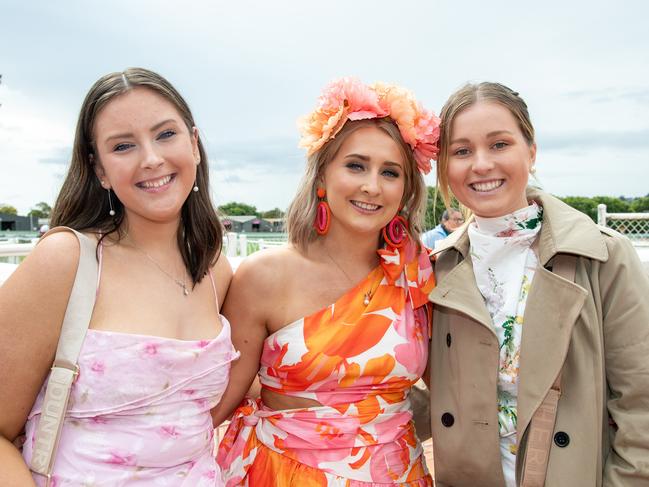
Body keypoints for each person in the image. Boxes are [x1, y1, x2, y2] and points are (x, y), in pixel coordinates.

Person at [0, 68, 238, 486]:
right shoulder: (67, 261)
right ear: (100, 170)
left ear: (195, 146)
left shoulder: (215, 269)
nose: (151, 158)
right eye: (123, 145)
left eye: (166, 134)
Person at [418, 82, 649, 486]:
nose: (482, 164)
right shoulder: (435, 268)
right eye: (461, 151)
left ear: (532, 150)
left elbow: (640, 405)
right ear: (444, 166)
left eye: (500, 144)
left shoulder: (604, 258)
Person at [212, 78, 439, 486]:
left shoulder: (417, 275)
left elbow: (453, 388)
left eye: (390, 172)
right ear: (322, 176)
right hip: (283, 474)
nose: (372, 186)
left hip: (400, 475)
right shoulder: (263, 275)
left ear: (405, 190)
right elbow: (221, 400)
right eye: (356, 165)